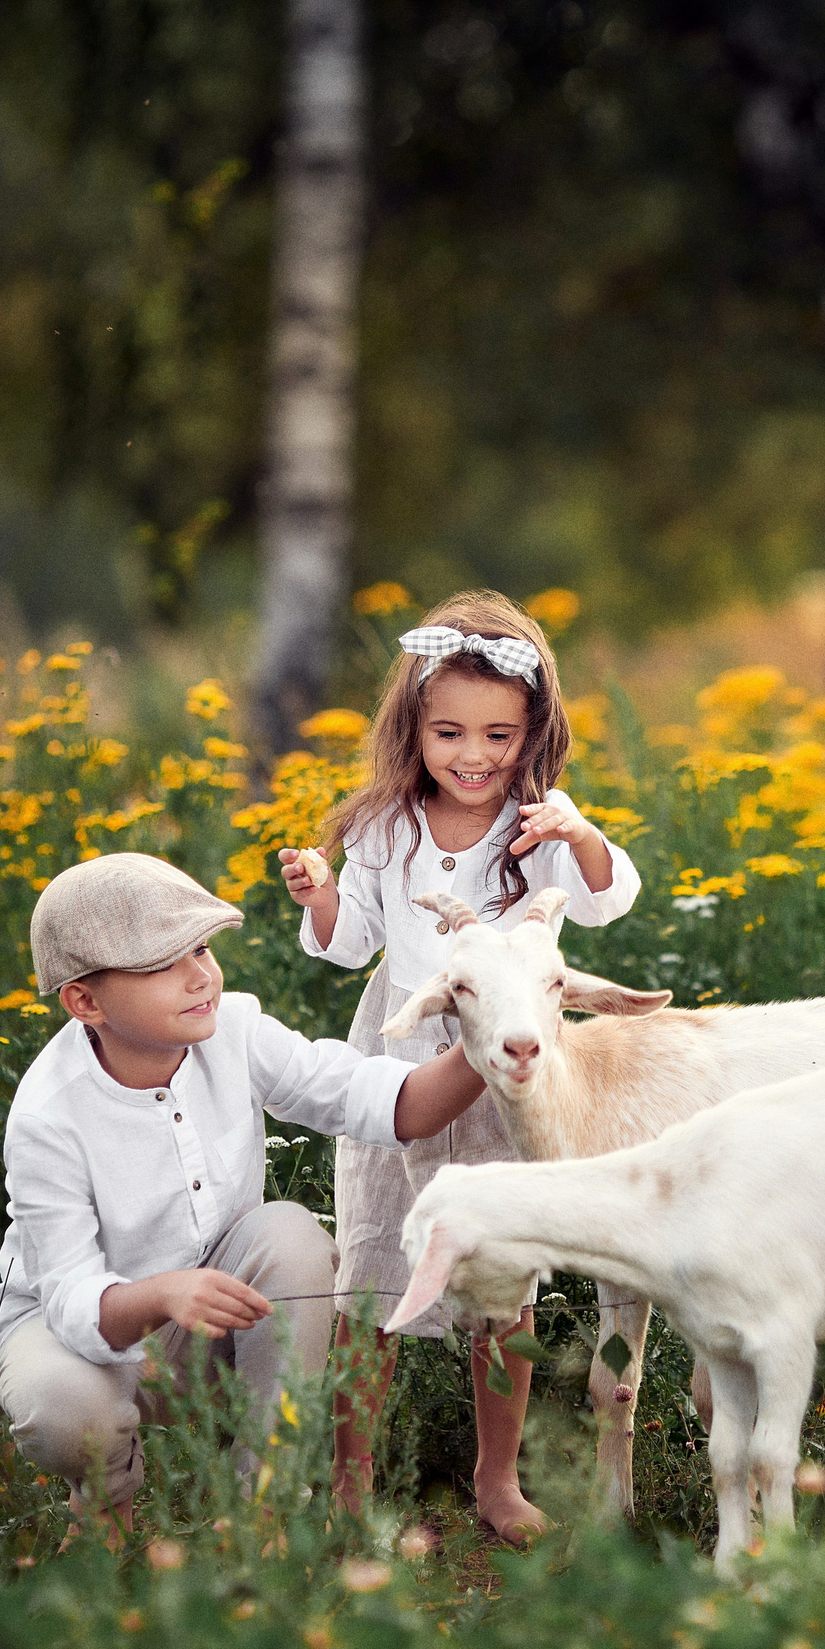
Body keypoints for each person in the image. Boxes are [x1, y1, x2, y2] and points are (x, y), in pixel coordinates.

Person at [0, 851, 486, 1533]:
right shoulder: (48, 1116)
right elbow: (69, 1299)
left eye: (203, 948)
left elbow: (381, 1101)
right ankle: (105, 1505)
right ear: (85, 1001)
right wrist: (160, 1293)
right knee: (66, 1413)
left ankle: (262, 1507)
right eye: (163, 964)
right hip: (79, 1332)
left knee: (293, 1237)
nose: (199, 976)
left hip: (205, 1318)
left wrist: (493, 1039)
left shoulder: (235, 1030)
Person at [280, 589, 641, 1543]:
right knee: (369, 1273)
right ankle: (351, 1489)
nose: (473, 756)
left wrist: (582, 836)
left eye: (498, 735)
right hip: (396, 1067)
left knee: (498, 1279)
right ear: (414, 729)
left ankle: (496, 1479)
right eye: (450, 733)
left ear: (533, 735)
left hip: (503, 1070)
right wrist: (320, 897)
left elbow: (608, 904)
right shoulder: (382, 828)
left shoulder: (539, 831)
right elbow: (353, 942)